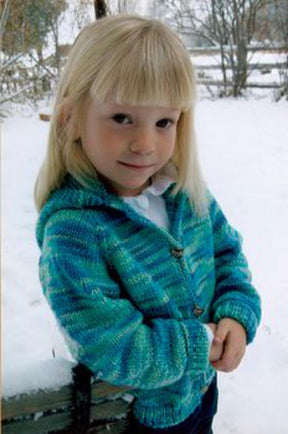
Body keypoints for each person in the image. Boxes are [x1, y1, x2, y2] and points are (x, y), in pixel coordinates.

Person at [34, 14, 261, 434]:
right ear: (71, 119)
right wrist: (199, 342)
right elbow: (113, 344)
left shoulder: (183, 193)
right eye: (122, 118)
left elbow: (227, 255)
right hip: (139, 419)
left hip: (201, 395)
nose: (145, 144)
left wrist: (236, 315)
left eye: (164, 122)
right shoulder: (74, 234)